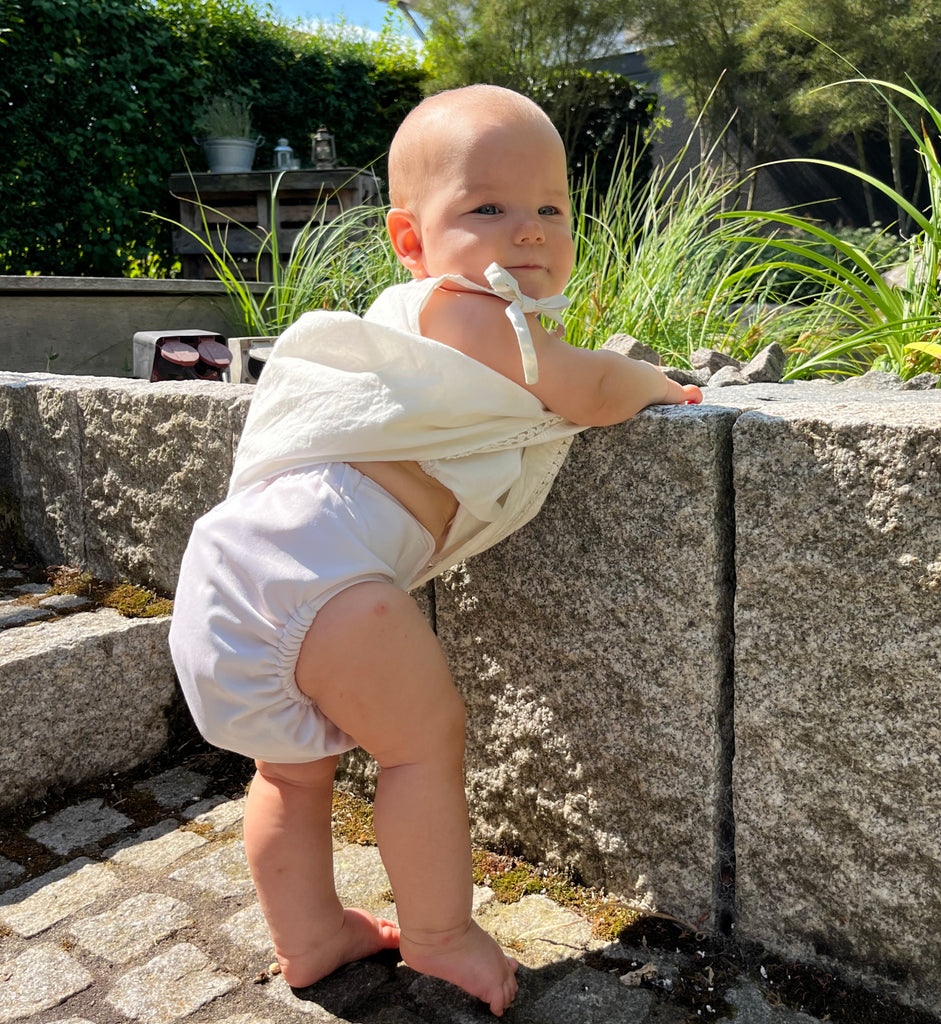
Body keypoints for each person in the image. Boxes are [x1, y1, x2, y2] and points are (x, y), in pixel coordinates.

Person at [168, 83, 702, 1018]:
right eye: (487, 208)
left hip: (236, 569)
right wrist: (650, 379)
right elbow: (583, 390)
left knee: (289, 777)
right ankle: (442, 938)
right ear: (410, 242)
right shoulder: (459, 309)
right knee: (422, 745)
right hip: (319, 573)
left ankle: (310, 938)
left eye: (550, 209)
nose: (528, 232)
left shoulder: (426, 334)